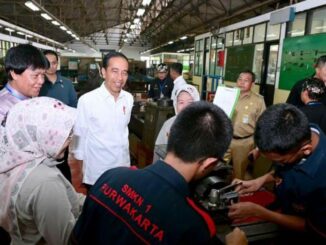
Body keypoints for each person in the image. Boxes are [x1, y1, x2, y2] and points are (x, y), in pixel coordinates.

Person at [70, 101, 233, 245]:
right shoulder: (195, 226)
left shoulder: (111, 177)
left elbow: (76, 239)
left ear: (170, 136)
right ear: (209, 163)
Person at [228, 103, 326, 243]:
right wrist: (258, 181)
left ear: (306, 150)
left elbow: (310, 227)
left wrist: (260, 212)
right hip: (283, 210)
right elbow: (286, 170)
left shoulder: (322, 179)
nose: (278, 164)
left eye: (281, 161)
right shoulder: (297, 129)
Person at [0, 97, 85, 245]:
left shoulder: (15, 162)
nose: (69, 140)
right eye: (64, 134)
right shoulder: (46, 183)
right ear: (41, 133)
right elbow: (66, 239)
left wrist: (98, 201)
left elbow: (68, 195)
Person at [72, 51, 134, 189]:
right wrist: (82, 169)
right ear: (103, 72)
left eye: (124, 72)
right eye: (115, 71)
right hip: (97, 171)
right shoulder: (87, 100)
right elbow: (79, 135)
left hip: (122, 167)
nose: (120, 78)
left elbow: (123, 129)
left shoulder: (128, 98)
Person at [39, 50, 78, 182]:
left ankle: (66, 190)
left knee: (62, 163)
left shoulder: (66, 83)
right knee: (44, 164)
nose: (51, 66)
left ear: (58, 63)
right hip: (42, 133)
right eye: (47, 63)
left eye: (54, 63)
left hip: (62, 132)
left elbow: (74, 105)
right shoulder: (38, 83)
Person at [227, 70, 266, 179]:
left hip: (244, 142)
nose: (242, 82)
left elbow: (262, 125)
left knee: (239, 173)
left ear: (252, 84)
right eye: (240, 79)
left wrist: (258, 148)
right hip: (225, 139)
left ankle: (236, 193)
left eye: (246, 80)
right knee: (217, 167)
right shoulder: (229, 95)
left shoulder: (258, 100)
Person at [0, 44, 48, 124]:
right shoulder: (3, 108)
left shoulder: (28, 99)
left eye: (43, 75)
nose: (41, 81)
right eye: (35, 75)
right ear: (14, 74)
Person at [153, 84, 200, 161]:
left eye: (190, 103)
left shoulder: (203, 126)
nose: (185, 107)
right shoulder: (168, 125)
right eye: (181, 102)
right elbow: (158, 150)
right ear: (175, 104)